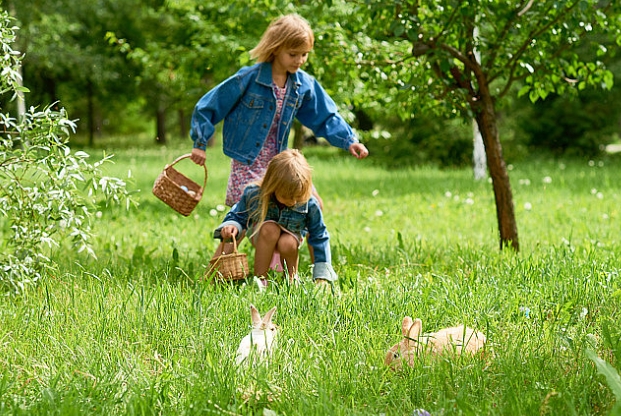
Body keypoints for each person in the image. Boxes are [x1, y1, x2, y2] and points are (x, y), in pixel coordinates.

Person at [188, 13, 369, 262]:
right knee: (244, 212)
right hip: (248, 161)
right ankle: (219, 269)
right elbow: (210, 105)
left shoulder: (302, 85)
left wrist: (349, 140)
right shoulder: (248, 79)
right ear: (276, 48)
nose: (300, 60)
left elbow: (325, 116)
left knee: (313, 203)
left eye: (304, 54)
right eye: (293, 54)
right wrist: (200, 143)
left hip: (278, 163)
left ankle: (321, 270)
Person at [214, 149, 336, 286]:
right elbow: (238, 214)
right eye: (287, 197)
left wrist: (322, 275)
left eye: (298, 197)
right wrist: (232, 225)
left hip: (291, 238)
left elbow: (319, 235)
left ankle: (291, 280)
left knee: (287, 242)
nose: (293, 202)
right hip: (263, 235)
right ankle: (260, 280)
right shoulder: (255, 195)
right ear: (272, 186)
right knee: (270, 228)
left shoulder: (310, 204)